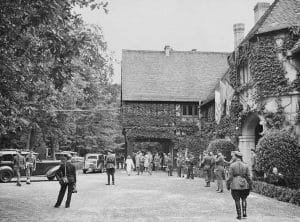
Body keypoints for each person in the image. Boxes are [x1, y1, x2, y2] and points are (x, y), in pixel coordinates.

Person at [226, 151, 252, 220]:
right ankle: (244, 213)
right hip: (245, 184)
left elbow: (230, 177)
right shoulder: (246, 165)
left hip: (235, 185)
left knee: (237, 200)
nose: (232, 157)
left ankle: (239, 215)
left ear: (237, 156)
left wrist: (228, 185)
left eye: (233, 156)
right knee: (244, 198)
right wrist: (250, 184)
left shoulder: (232, 165)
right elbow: (249, 177)